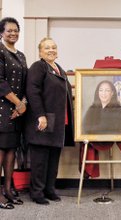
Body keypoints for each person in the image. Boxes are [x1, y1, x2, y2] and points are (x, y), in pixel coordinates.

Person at [25, 37, 74, 205]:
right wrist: (40, 115)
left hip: (59, 122)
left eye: (54, 47)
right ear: (40, 52)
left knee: (53, 158)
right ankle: (37, 192)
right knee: (40, 159)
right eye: (47, 48)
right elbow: (32, 91)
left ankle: (49, 189)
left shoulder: (59, 69)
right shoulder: (38, 67)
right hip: (44, 120)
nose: (51, 50)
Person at [0, 17, 27, 209]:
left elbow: (26, 84)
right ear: (1, 33)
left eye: (16, 30)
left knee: (12, 151)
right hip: (2, 110)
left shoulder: (22, 55)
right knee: (1, 151)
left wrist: (22, 104)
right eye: (9, 30)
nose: (13, 33)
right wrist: (18, 103)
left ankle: (8, 190)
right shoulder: (0, 51)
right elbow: (0, 82)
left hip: (17, 111)